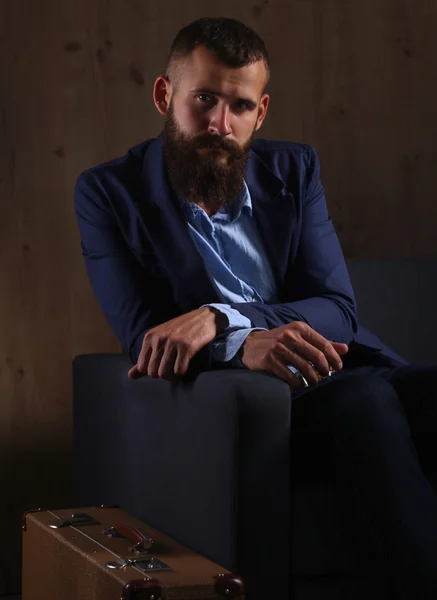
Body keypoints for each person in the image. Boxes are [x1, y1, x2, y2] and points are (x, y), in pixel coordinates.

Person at [74, 17, 437, 599]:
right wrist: (242, 348)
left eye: (240, 106)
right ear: (166, 97)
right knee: (366, 398)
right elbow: (145, 334)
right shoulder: (108, 194)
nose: (221, 123)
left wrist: (225, 318)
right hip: (249, 405)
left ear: (260, 113)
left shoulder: (295, 170)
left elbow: (337, 309)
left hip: (345, 366)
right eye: (205, 99)